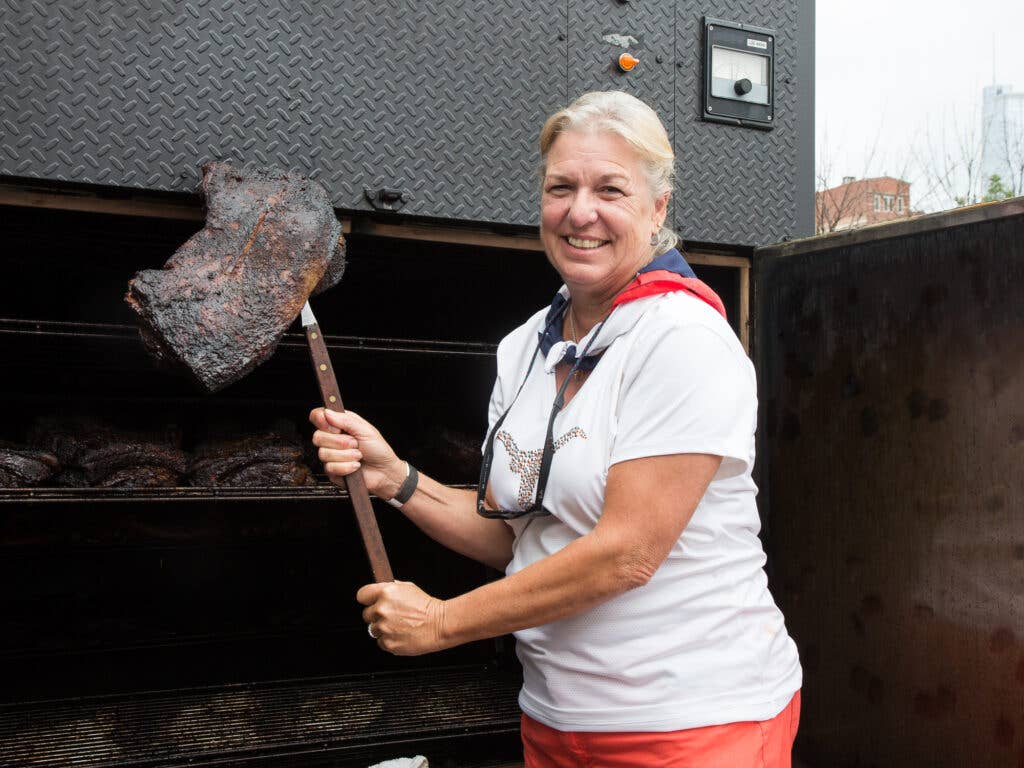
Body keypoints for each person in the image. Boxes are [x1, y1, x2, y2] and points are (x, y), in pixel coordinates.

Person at [310, 90, 802, 767]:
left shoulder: (682, 338)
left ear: (658, 208)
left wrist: (442, 621)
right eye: (560, 187)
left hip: (691, 721)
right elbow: (526, 539)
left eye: (611, 189)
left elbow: (626, 553)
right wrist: (397, 478)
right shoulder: (525, 350)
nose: (580, 212)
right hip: (558, 716)